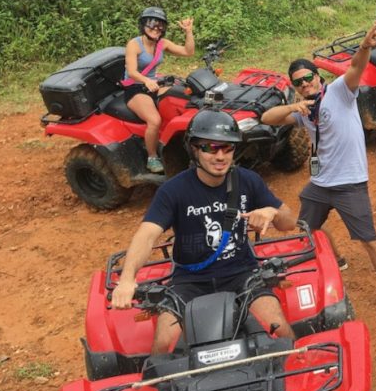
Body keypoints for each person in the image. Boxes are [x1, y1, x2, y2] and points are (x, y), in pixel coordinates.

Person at [261, 23, 376, 328]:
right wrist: (294, 107)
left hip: (350, 183)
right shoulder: (304, 109)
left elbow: (356, 67)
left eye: (308, 78)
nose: (305, 85)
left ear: (318, 77)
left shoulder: (341, 91)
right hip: (320, 183)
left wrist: (365, 46)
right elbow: (267, 118)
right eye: (298, 83)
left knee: (369, 240)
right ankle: (337, 258)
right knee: (307, 229)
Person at [111, 110, 297, 354]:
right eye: (210, 147)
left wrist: (272, 212)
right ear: (194, 150)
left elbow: (290, 222)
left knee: (280, 328)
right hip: (189, 281)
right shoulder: (173, 190)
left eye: (227, 148)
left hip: (242, 273)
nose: (220, 156)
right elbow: (146, 235)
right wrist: (126, 279)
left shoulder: (248, 181)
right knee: (163, 345)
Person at [122, 7, 195, 174]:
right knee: (154, 120)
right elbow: (131, 71)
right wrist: (146, 80)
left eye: (160, 25)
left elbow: (188, 52)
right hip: (135, 87)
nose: (156, 28)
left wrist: (188, 31)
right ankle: (152, 157)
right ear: (143, 25)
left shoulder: (162, 43)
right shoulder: (134, 44)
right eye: (151, 23)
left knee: (181, 98)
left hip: (154, 84)